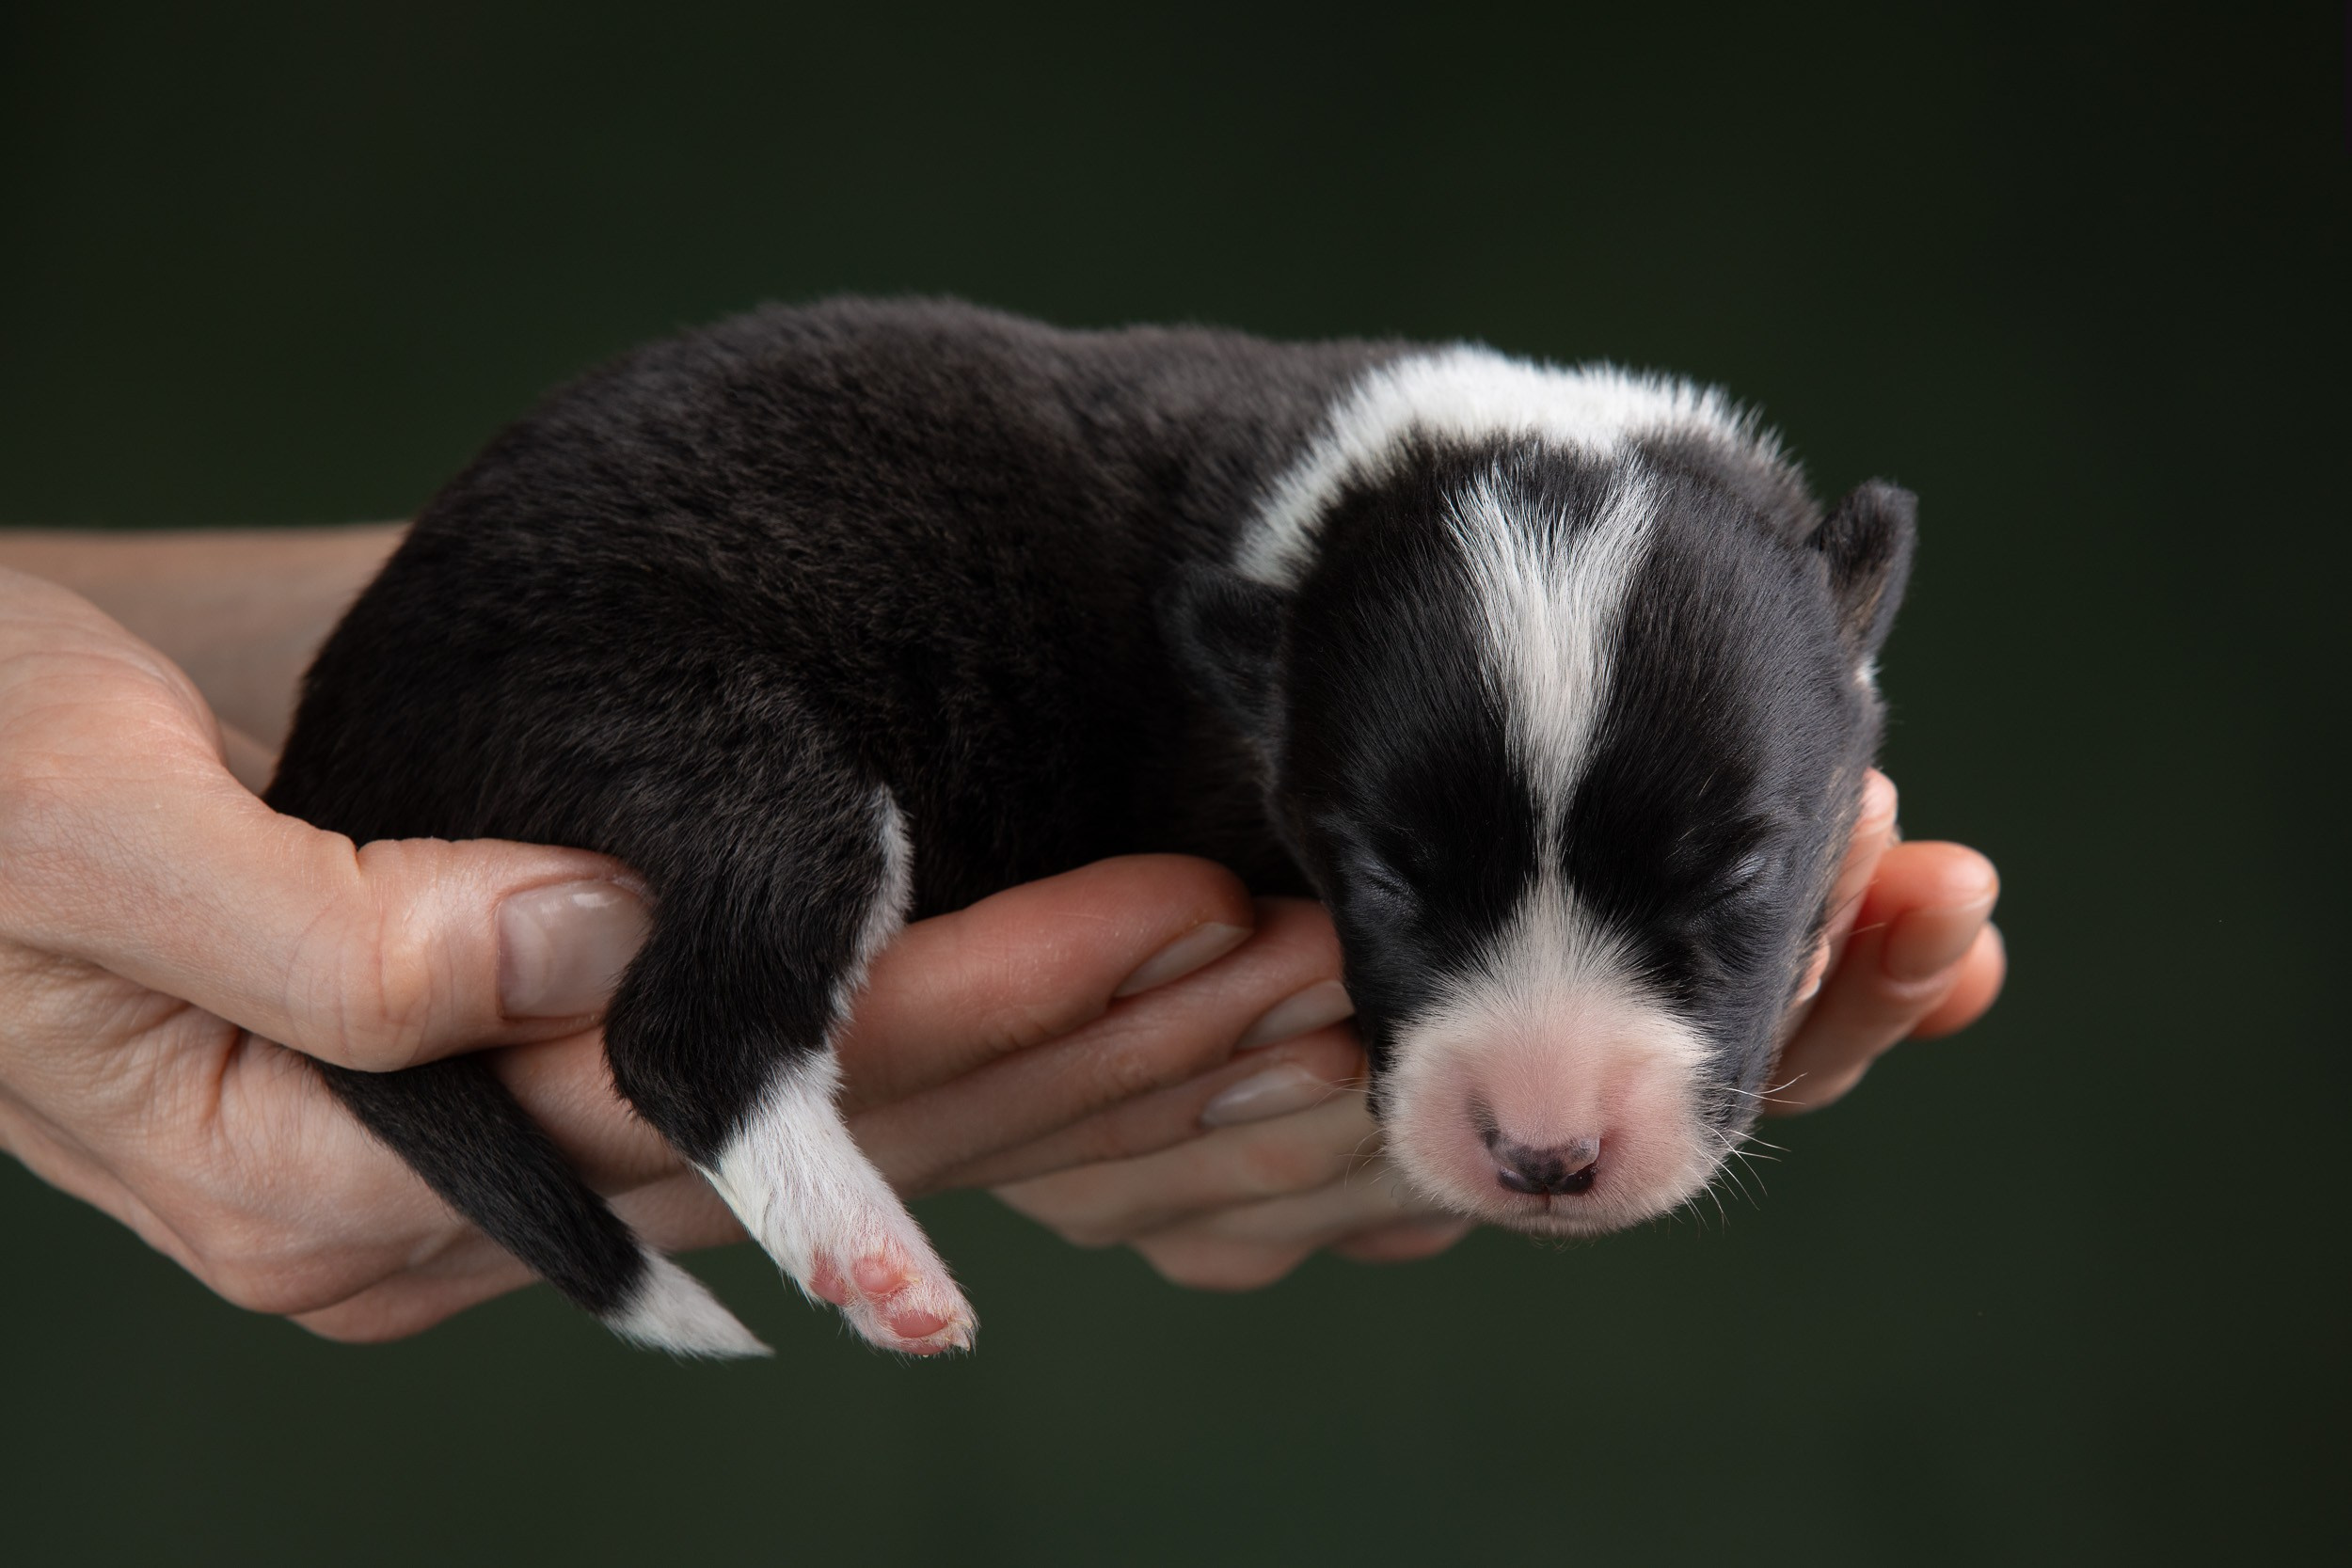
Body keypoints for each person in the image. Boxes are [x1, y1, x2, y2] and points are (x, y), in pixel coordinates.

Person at [0, 527, 2003, 1344]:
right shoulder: (1267, 586)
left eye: (1723, 884)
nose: (1561, 1094)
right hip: (719, 680)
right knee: (796, 876)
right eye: (1407, 885)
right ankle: (759, 1122)